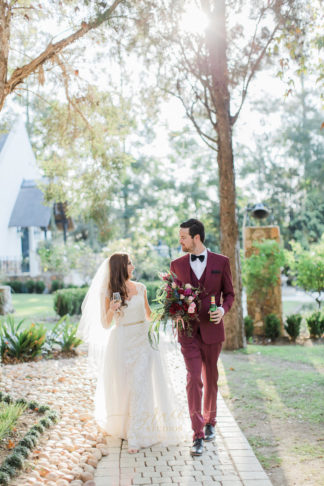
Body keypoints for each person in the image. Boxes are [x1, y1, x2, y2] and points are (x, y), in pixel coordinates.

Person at [78, 253, 187, 453]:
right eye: (129, 263)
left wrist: (169, 310)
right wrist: (112, 308)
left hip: (142, 339)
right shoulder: (109, 292)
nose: (133, 266)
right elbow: (105, 323)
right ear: (121, 267)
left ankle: (137, 436)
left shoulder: (141, 288)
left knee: (140, 383)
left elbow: (148, 314)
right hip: (121, 341)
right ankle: (127, 426)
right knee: (126, 386)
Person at [170, 219, 235, 456]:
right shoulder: (176, 265)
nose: (180, 240)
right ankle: (197, 434)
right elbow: (172, 297)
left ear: (196, 238)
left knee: (211, 378)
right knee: (193, 378)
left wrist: (222, 310)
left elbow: (229, 294)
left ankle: (210, 422)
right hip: (187, 332)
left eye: (183, 236)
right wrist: (174, 312)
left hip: (213, 330)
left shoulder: (221, 262)